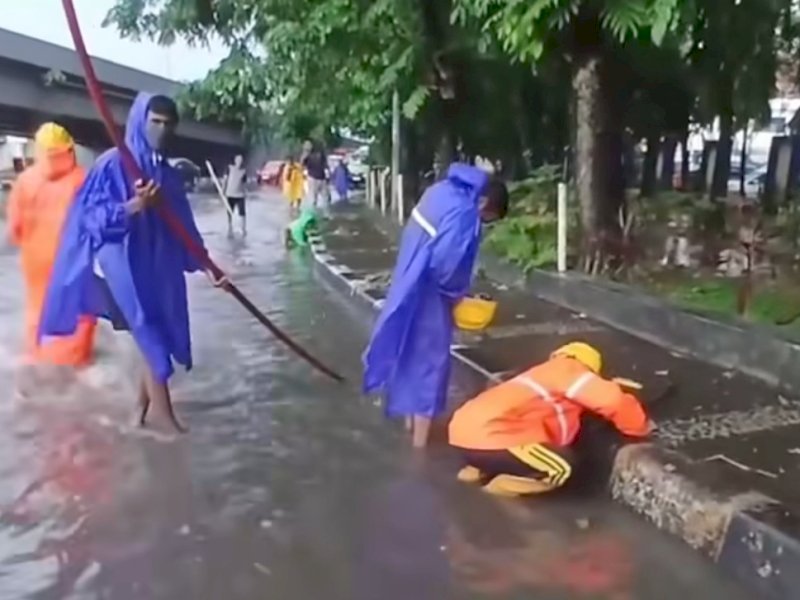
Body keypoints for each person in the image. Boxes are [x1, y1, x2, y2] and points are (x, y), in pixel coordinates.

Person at [39, 93, 223, 434]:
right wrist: (135, 205)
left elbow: (184, 229)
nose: (162, 130)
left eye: (169, 124)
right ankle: (165, 423)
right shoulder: (112, 164)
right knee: (150, 336)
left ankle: (137, 416)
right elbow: (91, 220)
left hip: (157, 270)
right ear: (141, 121)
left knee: (159, 335)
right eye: (155, 122)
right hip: (121, 272)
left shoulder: (167, 175)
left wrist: (210, 267)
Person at [362, 163, 509, 448]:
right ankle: (420, 449)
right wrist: (457, 296)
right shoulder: (466, 212)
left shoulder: (441, 190)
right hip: (431, 294)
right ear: (485, 203)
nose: (485, 224)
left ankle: (408, 425)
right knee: (430, 363)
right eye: (488, 219)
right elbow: (447, 265)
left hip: (407, 282)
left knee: (407, 350)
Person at [448, 342, 652, 497]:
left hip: (462, 435)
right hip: (493, 436)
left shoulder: (540, 374)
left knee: (505, 449)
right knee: (561, 468)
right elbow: (613, 400)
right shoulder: (570, 370)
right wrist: (639, 428)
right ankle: (498, 491)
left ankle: (475, 471)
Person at [7, 122, 96, 367]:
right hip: (73, 261)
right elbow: (97, 224)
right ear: (69, 148)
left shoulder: (24, 181)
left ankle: (39, 361)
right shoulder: (84, 180)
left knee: (38, 311)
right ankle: (76, 366)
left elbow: (15, 229)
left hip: (35, 263)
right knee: (78, 316)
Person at [223, 154, 247, 236]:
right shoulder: (229, 168)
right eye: (238, 160)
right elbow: (225, 180)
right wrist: (223, 190)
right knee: (229, 212)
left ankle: (243, 228)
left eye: (241, 161)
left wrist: (245, 193)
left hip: (240, 195)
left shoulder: (243, 171)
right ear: (235, 161)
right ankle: (229, 227)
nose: (240, 162)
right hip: (230, 194)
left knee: (242, 213)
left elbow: (244, 184)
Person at [301, 140, 329, 210]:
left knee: (325, 197)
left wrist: (327, 175)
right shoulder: (306, 155)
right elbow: (302, 164)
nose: (308, 147)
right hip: (313, 178)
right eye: (306, 145)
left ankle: (325, 214)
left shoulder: (319, 153)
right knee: (314, 198)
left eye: (309, 145)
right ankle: (313, 214)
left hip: (320, 177)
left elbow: (325, 164)